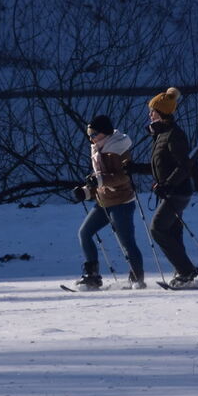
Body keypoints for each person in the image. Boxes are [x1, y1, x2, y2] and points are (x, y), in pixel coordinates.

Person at [126, 87, 198, 288]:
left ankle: (186, 271)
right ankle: (183, 271)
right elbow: (160, 166)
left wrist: (167, 184)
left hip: (178, 192)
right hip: (170, 191)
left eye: (152, 111)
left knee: (158, 229)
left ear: (161, 113)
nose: (149, 114)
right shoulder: (161, 135)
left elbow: (184, 166)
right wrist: (134, 168)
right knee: (173, 232)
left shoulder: (173, 135)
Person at [71, 115, 145, 290]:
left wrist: (100, 181)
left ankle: (137, 279)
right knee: (84, 233)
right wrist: (86, 191)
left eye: (94, 134)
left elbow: (123, 177)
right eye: (89, 134)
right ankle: (92, 276)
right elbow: (99, 179)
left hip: (122, 202)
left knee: (127, 242)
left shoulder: (119, 148)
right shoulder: (97, 149)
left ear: (105, 133)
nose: (91, 138)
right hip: (103, 202)